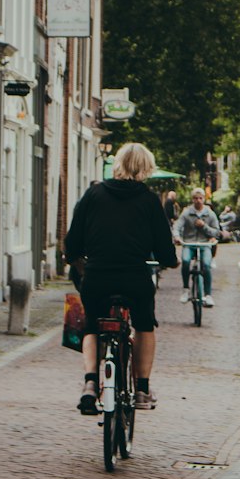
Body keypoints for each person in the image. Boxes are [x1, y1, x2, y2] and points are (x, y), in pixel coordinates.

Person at [64, 141, 177, 414]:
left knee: (91, 325)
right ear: (146, 168)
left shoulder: (93, 195)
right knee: (145, 325)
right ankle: (141, 389)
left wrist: (76, 258)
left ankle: (90, 383)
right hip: (134, 278)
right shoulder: (150, 201)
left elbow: (72, 241)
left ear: (117, 165)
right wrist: (169, 260)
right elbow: (165, 248)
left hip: (97, 277)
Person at [175, 188, 220, 307]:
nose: (198, 201)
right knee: (185, 261)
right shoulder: (186, 213)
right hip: (189, 244)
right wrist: (177, 237)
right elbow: (177, 226)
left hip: (204, 244)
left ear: (204, 199)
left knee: (206, 264)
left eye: (200, 198)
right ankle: (185, 289)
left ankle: (208, 295)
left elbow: (216, 232)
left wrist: (204, 226)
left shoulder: (210, 213)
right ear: (192, 199)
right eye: (195, 198)